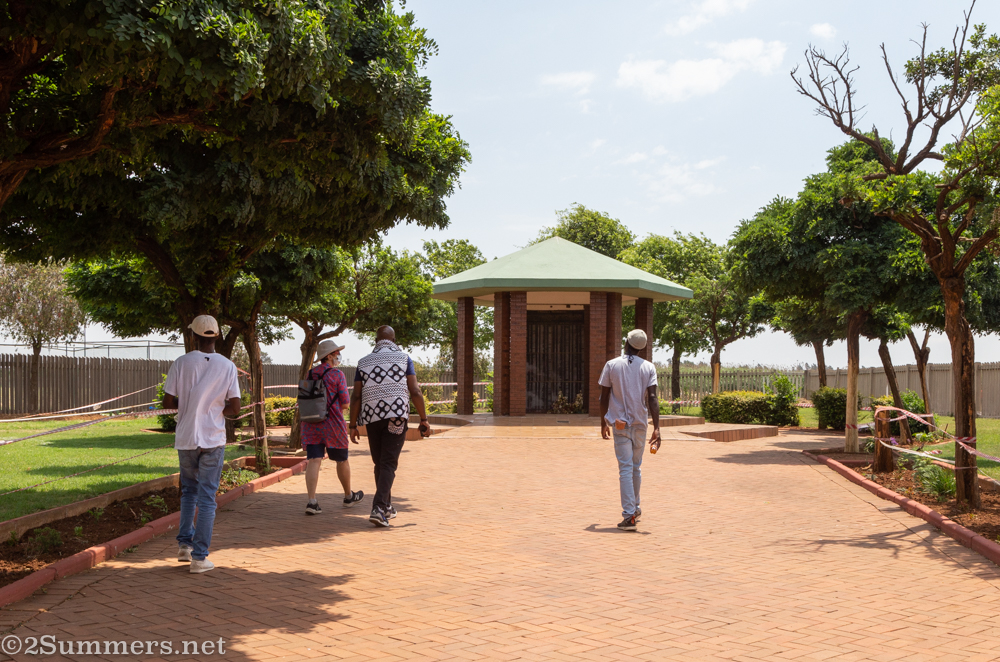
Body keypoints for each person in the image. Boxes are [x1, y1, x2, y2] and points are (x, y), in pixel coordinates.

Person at [162, 315, 241, 573]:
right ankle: (199, 558)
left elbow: (168, 402)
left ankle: (184, 546)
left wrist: (188, 404)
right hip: (213, 438)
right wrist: (217, 409)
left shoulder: (181, 363)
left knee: (189, 491)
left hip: (186, 437)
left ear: (193, 336)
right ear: (217, 336)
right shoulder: (228, 366)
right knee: (207, 498)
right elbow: (235, 408)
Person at [349, 326, 431, 527]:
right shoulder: (404, 359)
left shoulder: (363, 362)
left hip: (372, 418)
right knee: (388, 463)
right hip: (396, 417)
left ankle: (385, 506)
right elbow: (415, 390)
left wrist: (352, 425)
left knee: (380, 463)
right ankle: (378, 508)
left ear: (376, 341)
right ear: (394, 340)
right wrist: (424, 419)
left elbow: (357, 395)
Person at [599, 328, 661, 532]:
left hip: (619, 423)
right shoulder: (649, 367)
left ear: (626, 343)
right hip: (641, 423)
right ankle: (635, 507)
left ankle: (629, 516)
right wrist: (658, 428)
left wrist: (602, 421)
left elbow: (604, 396)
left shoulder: (612, 365)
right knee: (636, 466)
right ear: (642, 348)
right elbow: (652, 398)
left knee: (625, 468)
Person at [301, 338, 363, 514]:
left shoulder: (310, 374)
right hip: (333, 424)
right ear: (329, 356)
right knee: (341, 459)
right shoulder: (337, 375)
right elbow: (345, 403)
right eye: (336, 353)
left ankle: (312, 501)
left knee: (314, 460)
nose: (338, 356)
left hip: (311, 423)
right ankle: (348, 496)